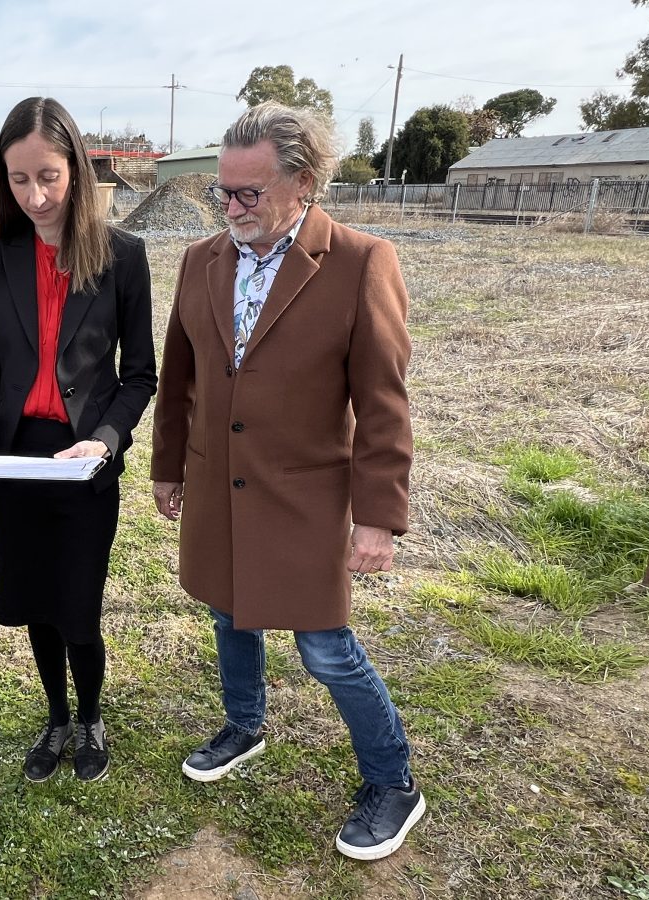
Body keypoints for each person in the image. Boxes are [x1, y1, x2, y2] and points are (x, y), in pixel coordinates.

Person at [150, 102, 424, 861]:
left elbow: (382, 404)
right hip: (214, 482)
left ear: (303, 182)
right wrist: (168, 465)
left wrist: (377, 518)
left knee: (325, 648)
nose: (232, 209)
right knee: (227, 611)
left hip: (304, 494)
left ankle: (394, 781)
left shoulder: (362, 263)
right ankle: (245, 724)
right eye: (222, 193)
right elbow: (181, 377)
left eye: (249, 194)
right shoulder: (202, 259)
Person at [0, 97, 157, 783]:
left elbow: (139, 376)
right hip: (17, 461)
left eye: (49, 177)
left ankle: (90, 715)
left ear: (78, 171)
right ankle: (56, 718)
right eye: (18, 179)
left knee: (79, 607)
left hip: (84, 463)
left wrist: (105, 440)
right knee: (35, 600)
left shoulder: (124, 256)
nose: (34, 196)